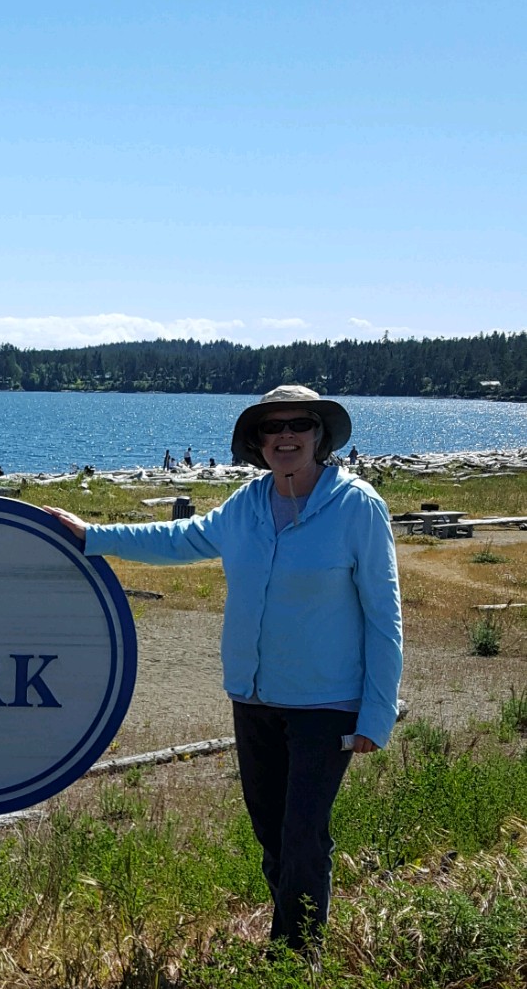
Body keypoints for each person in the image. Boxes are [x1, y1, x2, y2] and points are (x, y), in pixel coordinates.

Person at [46, 386, 402, 954]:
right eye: (272, 427)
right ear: (257, 443)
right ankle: (289, 946)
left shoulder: (356, 506)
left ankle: (296, 961)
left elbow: (385, 615)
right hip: (255, 698)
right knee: (270, 831)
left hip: (326, 705)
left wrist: (376, 713)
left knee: (302, 833)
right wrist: (94, 537)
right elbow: (182, 538)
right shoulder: (246, 506)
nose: (285, 436)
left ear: (320, 436)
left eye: (299, 424)